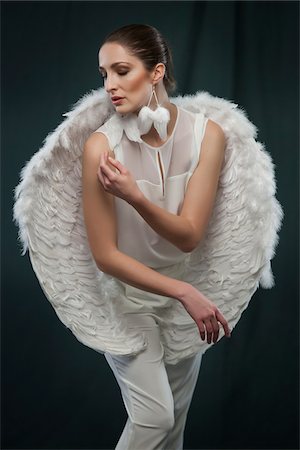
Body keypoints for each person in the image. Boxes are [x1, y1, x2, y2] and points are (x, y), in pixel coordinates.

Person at [82, 23, 231, 450]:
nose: (109, 85)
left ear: (156, 72)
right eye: (103, 74)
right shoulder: (101, 147)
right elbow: (105, 256)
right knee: (154, 419)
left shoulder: (208, 135)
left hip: (183, 298)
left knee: (174, 428)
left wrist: (135, 197)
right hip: (125, 297)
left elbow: (188, 236)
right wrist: (184, 290)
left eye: (121, 70)